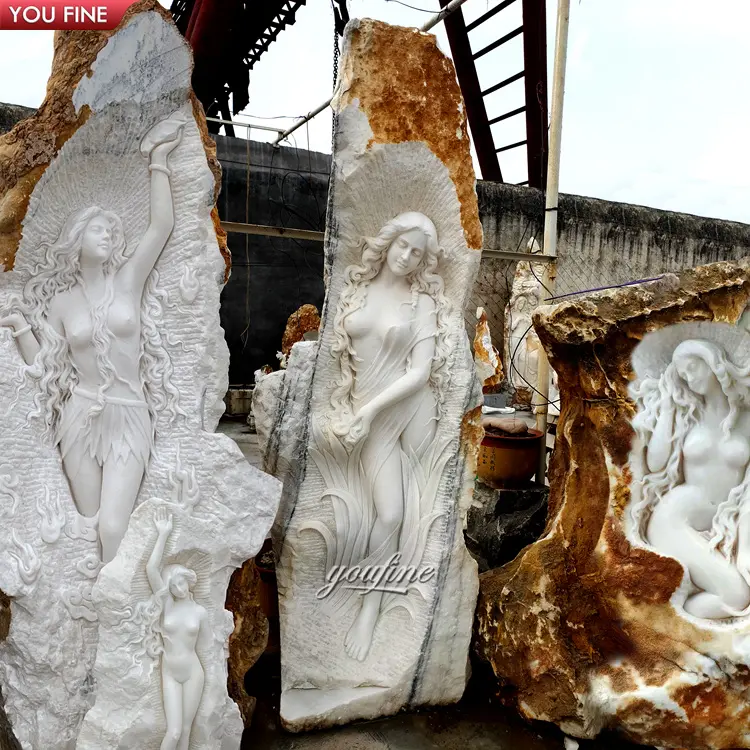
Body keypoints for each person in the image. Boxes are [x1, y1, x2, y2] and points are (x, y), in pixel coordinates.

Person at [0, 114, 185, 563]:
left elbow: (160, 227)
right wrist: (19, 326)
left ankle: (113, 618)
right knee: (88, 524)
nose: (110, 235)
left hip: (129, 416)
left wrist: (158, 161)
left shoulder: (128, 281)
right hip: (79, 417)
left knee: (114, 525)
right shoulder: (62, 302)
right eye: (99, 230)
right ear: (77, 238)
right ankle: (96, 610)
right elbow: (47, 362)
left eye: (112, 232)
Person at [317, 211, 451, 661]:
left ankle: (370, 607)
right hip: (352, 410)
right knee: (356, 514)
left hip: (393, 416)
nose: (407, 256)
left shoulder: (423, 305)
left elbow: (419, 373)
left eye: (417, 252)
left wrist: (370, 411)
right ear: (388, 242)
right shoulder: (357, 290)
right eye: (402, 246)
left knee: (391, 514)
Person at [630, 333, 750, 619]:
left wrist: (744, 548)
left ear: (713, 363)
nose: (687, 377)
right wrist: (669, 408)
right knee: (737, 595)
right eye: (681, 373)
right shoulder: (689, 414)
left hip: (721, 526)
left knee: (738, 595)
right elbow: (656, 464)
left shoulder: (747, 421)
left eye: (692, 368)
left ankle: (667, 618)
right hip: (672, 519)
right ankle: (669, 621)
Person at [146, 507, 209, 750]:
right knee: (172, 732)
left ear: (188, 580)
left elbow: (207, 647)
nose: (179, 588)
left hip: (194, 673)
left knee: (184, 733)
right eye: (174, 584)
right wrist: (163, 534)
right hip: (170, 672)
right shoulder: (167, 607)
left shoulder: (199, 612)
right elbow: (151, 570)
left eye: (182, 582)